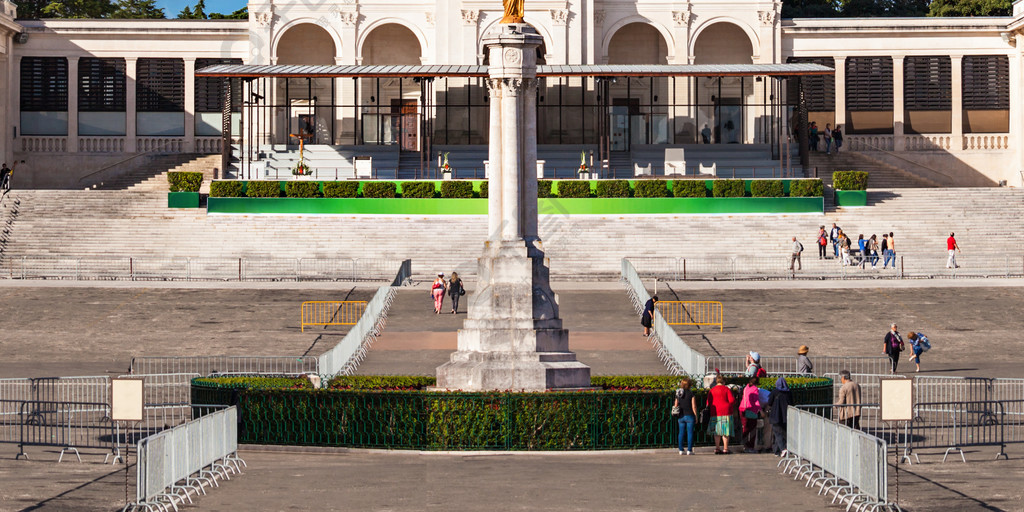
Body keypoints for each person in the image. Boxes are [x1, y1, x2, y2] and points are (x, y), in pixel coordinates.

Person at [707, 374, 736, 454]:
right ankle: (725, 448)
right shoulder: (726, 389)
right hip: (726, 412)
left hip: (715, 413)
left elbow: (708, 402)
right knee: (725, 431)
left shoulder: (712, 390)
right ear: (723, 381)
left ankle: (717, 448)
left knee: (717, 431)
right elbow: (731, 400)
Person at [767, 376, 792, 456]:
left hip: (775, 415)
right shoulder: (788, 392)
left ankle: (783, 449)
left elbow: (769, 402)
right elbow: (792, 403)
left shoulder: (774, 392)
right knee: (783, 433)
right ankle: (777, 451)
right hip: (786, 416)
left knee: (777, 433)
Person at [673, 377, 698, 455]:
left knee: (681, 433)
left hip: (681, 415)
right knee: (690, 433)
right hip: (690, 415)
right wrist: (696, 415)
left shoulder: (678, 393)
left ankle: (681, 449)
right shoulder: (691, 393)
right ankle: (689, 450)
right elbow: (694, 406)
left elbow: (676, 404)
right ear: (689, 385)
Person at [739, 377, 762, 453]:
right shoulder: (755, 389)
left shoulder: (746, 387)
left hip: (743, 408)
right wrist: (760, 410)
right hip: (751, 410)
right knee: (752, 429)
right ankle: (751, 447)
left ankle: (744, 445)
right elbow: (756, 401)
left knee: (745, 428)